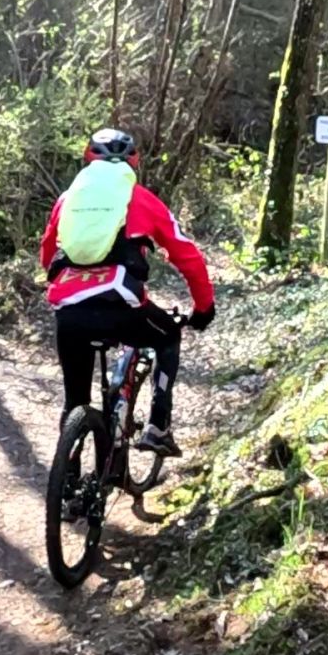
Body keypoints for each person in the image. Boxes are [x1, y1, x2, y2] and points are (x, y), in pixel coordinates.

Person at [40, 128, 216, 458]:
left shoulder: (68, 199)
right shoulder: (142, 199)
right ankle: (158, 428)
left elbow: (48, 252)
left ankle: (67, 479)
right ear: (133, 163)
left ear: (88, 160)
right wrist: (204, 307)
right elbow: (187, 255)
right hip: (121, 307)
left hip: (70, 310)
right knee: (168, 336)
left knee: (75, 401)